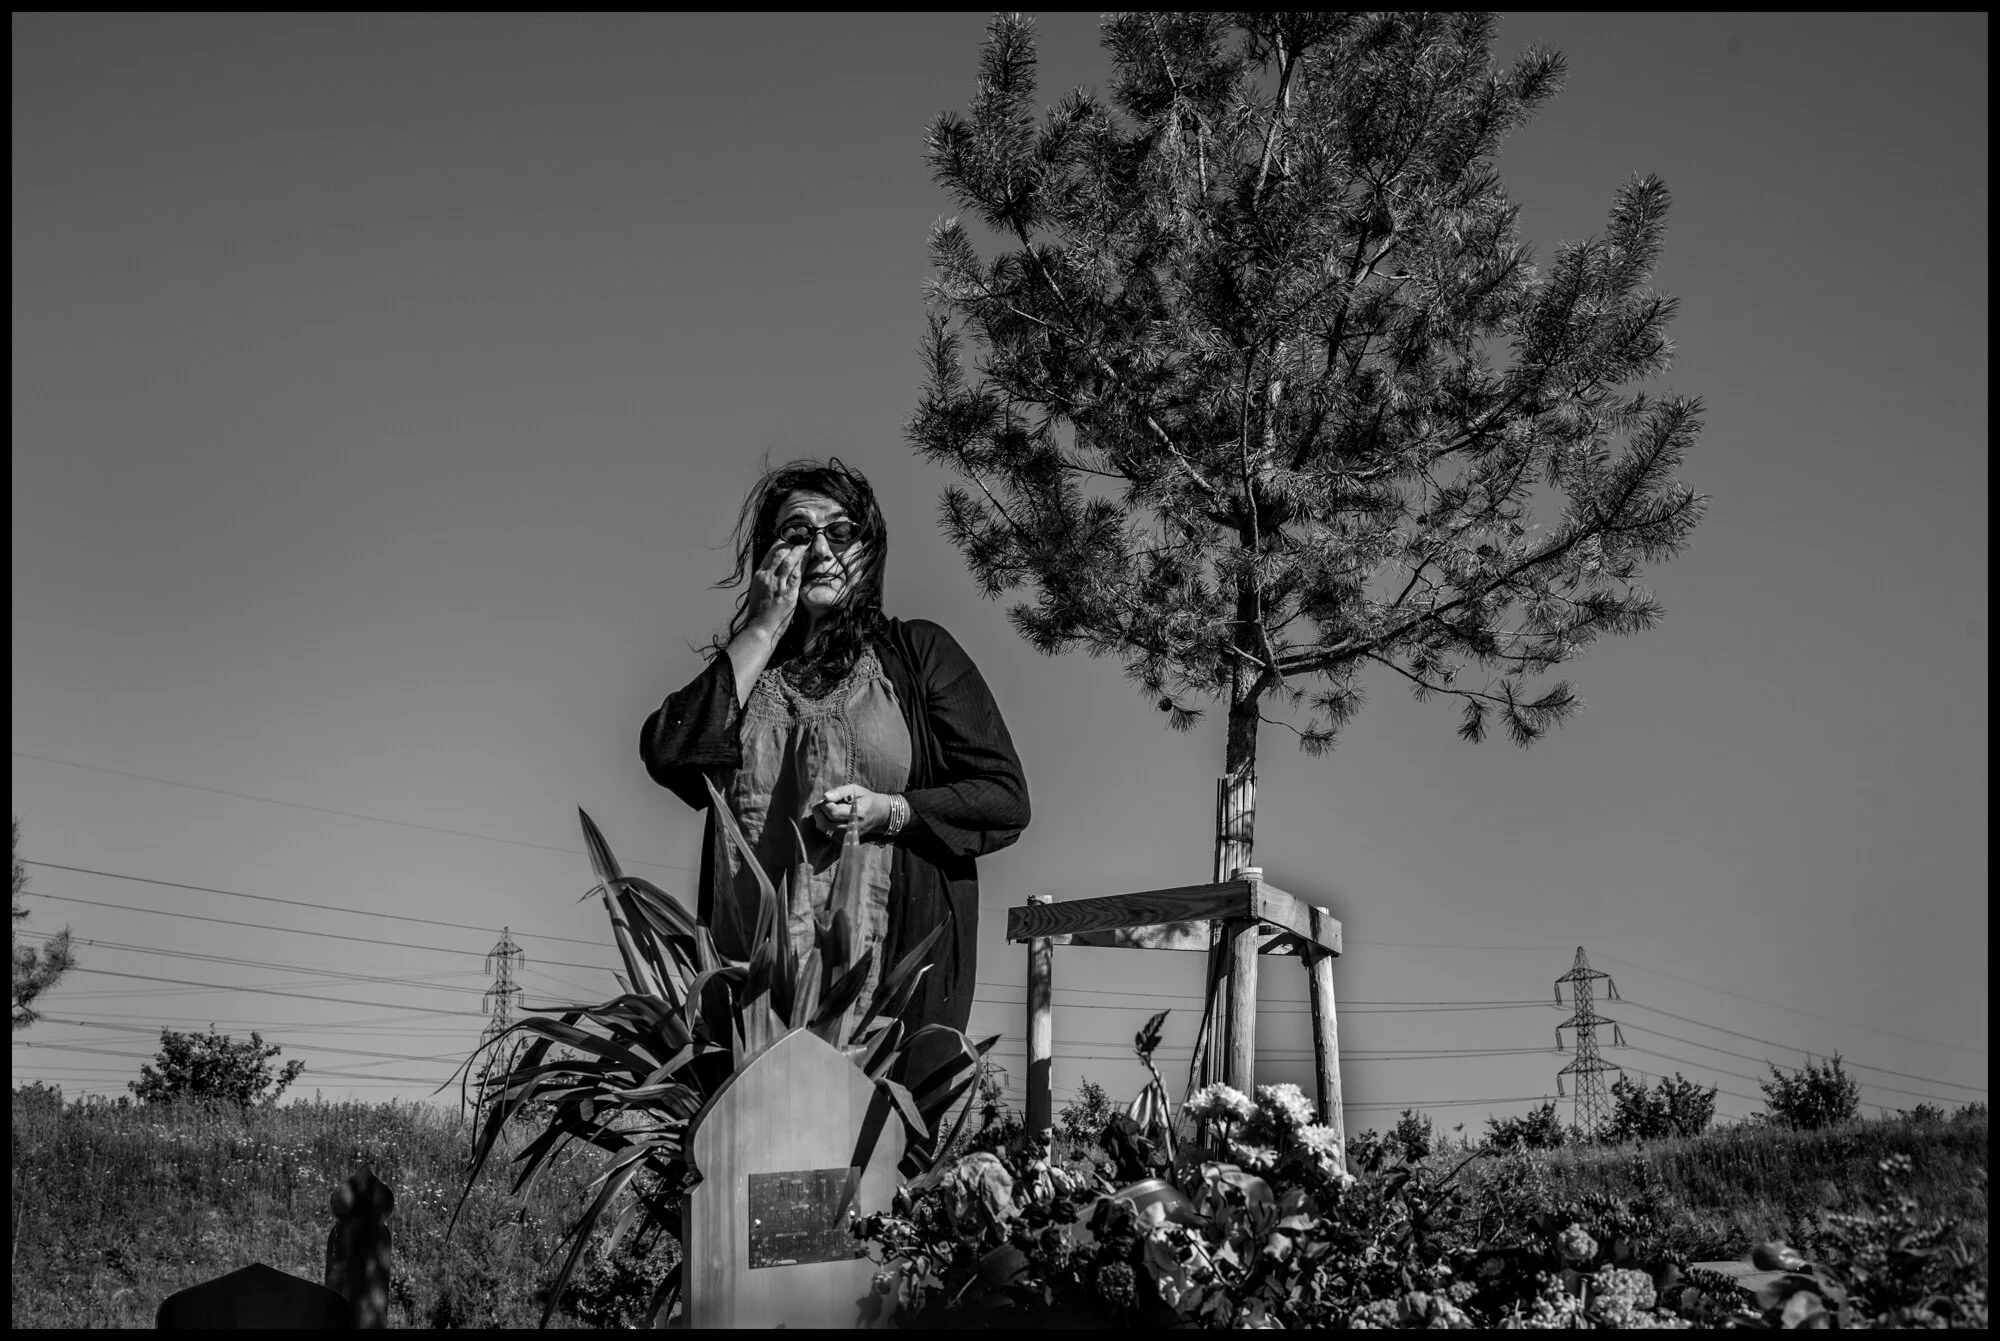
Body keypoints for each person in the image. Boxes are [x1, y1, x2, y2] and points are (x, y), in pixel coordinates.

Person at [640, 458, 1029, 1081]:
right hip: (751, 995)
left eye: (841, 533)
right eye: (797, 532)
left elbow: (1003, 798)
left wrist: (891, 811)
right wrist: (764, 628)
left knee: (878, 1173)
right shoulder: (749, 674)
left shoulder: (915, 654)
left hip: (887, 993)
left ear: (869, 553)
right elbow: (671, 753)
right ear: (769, 554)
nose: (820, 549)